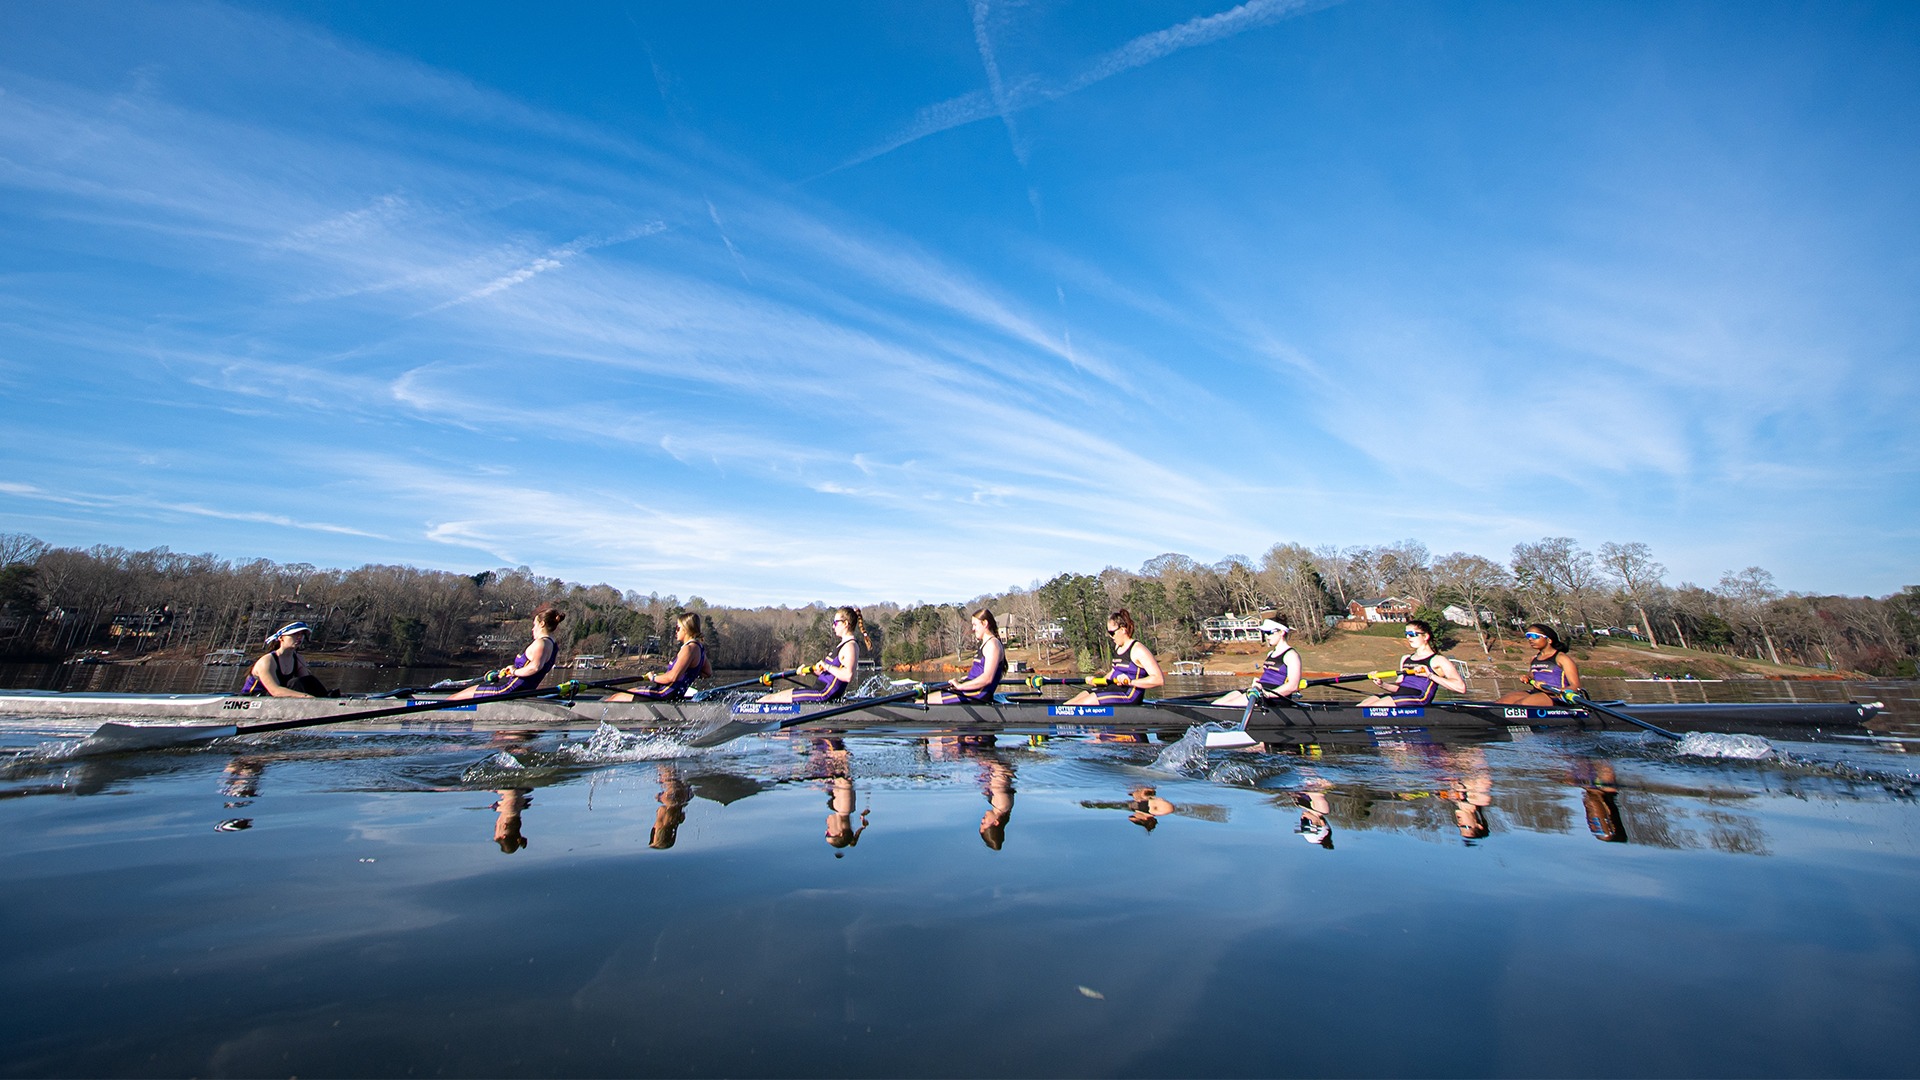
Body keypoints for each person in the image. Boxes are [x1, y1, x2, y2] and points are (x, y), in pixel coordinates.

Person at [446, 603, 564, 700]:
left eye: (535, 625)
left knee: (454, 698)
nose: (533, 629)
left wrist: (514, 671)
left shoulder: (541, 643)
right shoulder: (552, 644)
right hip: (521, 689)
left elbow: (534, 668)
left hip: (508, 690)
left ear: (542, 624)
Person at [759, 606, 866, 704]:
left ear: (846, 624)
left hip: (823, 694)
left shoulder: (850, 646)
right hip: (819, 690)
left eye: (836, 623)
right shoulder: (842, 645)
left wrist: (826, 666)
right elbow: (830, 675)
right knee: (768, 698)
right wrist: (810, 671)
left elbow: (848, 676)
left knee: (767, 700)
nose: (833, 626)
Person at [1064, 609, 1165, 706]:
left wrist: (1131, 682)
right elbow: (1113, 672)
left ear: (1123, 629)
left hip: (1129, 695)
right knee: (1069, 704)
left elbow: (1158, 679)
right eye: (1109, 633)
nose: (1111, 636)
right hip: (1113, 689)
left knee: (1082, 704)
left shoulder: (1138, 650)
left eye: (1112, 633)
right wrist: (1097, 681)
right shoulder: (1117, 647)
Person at [1356, 619, 1466, 706]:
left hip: (1419, 697)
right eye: (1406, 634)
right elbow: (1399, 687)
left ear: (1426, 636)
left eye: (1412, 634)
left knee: (1374, 707)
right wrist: (1382, 684)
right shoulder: (1406, 659)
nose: (1408, 637)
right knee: (1362, 706)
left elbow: (1460, 687)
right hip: (1401, 695)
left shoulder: (1438, 660)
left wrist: (1430, 675)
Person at [605, 612, 711, 702]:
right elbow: (707, 673)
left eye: (678, 628)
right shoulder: (699, 648)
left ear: (686, 629)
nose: (676, 631)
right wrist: (688, 674)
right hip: (674, 695)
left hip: (663, 694)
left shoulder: (688, 649)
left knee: (614, 698)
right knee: (626, 693)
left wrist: (653, 677)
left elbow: (672, 677)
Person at [926, 608, 1008, 704]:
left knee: (922, 702)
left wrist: (960, 686)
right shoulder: (986, 644)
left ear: (985, 623)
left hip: (977, 694)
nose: (973, 629)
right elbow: (979, 672)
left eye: (975, 625)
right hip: (972, 691)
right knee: (924, 697)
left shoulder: (992, 645)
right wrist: (967, 680)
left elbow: (987, 678)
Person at [1213, 619, 1301, 706]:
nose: (1266, 636)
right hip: (1259, 691)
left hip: (1275, 697)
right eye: (1264, 633)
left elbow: (1293, 686)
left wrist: (1269, 694)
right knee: (1217, 704)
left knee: (1228, 705)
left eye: (1269, 632)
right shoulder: (1270, 654)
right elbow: (1269, 677)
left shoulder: (1291, 655)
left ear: (1282, 632)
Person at [1498, 623, 1582, 706]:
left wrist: (1551, 690)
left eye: (1535, 636)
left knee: (1520, 705)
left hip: (1556, 696)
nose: (1530, 639)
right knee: (1502, 703)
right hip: (1538, 693)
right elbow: (1531, 676)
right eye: (1528, 636)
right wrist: (1527, 677)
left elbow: (1576, 686)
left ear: (1549, 640)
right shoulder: (1534, 659)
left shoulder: (1562, 658)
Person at [241, 621, 332, 698]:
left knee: (307, 680)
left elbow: (306, 684)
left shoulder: (299, 659)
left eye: (302, 634)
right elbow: (275, 691)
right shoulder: (267, 661)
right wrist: (306, 697)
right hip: (254, 698)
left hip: (279, 697)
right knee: (295, 682)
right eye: (295, 634)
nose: (300, 637)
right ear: (281, 638)